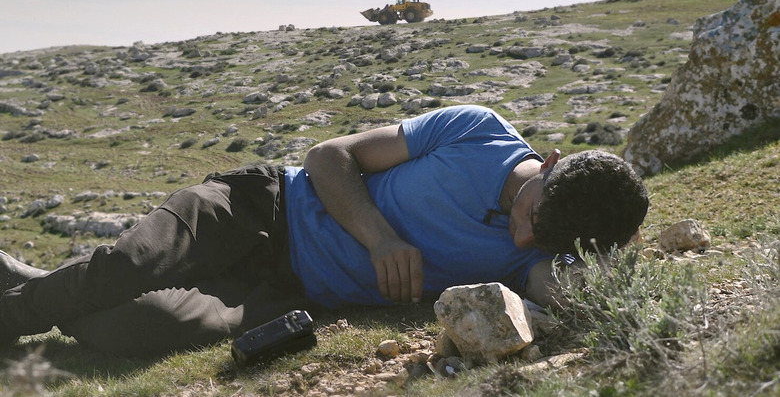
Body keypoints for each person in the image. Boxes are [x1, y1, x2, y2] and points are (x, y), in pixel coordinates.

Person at [0, 105, 648, 357]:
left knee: (138, 332)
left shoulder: (531, 256)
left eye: (549, 241)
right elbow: (328, 156)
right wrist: (380, 238)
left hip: (291, 293)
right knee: (132, 266)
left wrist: (611, 255)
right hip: (262, 206)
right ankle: (17, 311)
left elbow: (568, 290)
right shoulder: (476, 130)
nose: (525, 240)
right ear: (553, 162)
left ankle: (41, 284)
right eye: (535, 217)